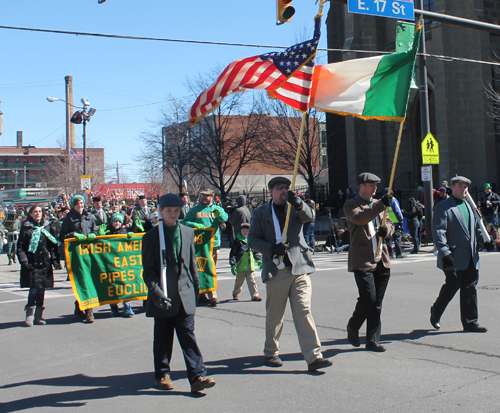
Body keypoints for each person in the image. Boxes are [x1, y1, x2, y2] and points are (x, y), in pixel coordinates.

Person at [248, 176, 332, 372]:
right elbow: (252, 239)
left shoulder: (295, 208)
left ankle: (313, 356)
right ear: (271, 191)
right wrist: (271, 249)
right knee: (275, 315)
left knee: (303, 311)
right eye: (279, 187)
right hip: (277, 270)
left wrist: (298, 202)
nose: (283, 190)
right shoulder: (260, 213)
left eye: (286, 187)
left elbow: (309, 217)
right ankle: (271, 352)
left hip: (299, 268)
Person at [142, 193, 216, 393]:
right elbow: (148, 271)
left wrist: (196, 288)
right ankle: (163, 374)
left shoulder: (186, 232)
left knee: (188, 336)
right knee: (163, 338)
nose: (173, 215)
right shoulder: (151, 237)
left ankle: (197, 376)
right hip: (163, 295)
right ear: (160, 211)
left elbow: (191, 263)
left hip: (185, 293)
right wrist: (155, 291)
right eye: (168, 211)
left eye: (176, 211)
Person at [430, 175, 492, 333]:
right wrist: (444, 252)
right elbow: (439, 232)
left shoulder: (469, 206)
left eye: (465, 186)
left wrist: (484, 241)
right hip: (452, 255)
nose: (463, 189)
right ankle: (436, 312)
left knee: (470, 287)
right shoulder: (443, 206)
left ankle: (470, 322)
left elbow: (476, 228)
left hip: (471, 256)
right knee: (452, 286)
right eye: (460, 186)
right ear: (452, 187)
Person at [344, 173, 395, 352]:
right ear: (361, 186)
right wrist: (381, 204)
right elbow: (360, 218)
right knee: (368, 298)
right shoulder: (351, 204)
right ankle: (353, 325)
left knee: (377, 302)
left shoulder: (378, 205)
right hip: (363, 259)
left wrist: (385, 230)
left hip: (381, 257)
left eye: (376, 185)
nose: (375, 189)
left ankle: (372, 339)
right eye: (371, 185)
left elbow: (391, 224)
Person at [182, 189, 228, 307]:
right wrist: (195, 225)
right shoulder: (195, 210)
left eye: (207, 196)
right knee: (202, 268)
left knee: (210, 268)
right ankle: (206, 295)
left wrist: (220, 215)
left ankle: (210, 293)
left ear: (212, 197)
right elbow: (185, 222)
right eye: (203, 195)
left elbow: (225, 219)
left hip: (213, 243)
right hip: (199, 245)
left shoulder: (216, 209)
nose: (204, 198)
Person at [17, 206, 58, 327]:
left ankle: (39, 315)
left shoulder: (47, 226)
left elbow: (53, 245)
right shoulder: (26, 228)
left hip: (44, 262)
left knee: (41, 289)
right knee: (34, 289)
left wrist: (55, 260)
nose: (38, 214)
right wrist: (24, 261)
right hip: (32, 263)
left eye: (39, 211)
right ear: (30, 214)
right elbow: (20, 247)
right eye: (35, 212)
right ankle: (29, 314)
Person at [60, 195, 98, 323]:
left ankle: (80, 305)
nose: (80, 206)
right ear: (73, 205)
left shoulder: (90, 217)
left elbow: (95, 230)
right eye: (77, 204)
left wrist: (94, 234)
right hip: (75, 255)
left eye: (81, 203)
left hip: (88, 253)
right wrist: (73, 234)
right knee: (81, 280)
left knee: (88, 280)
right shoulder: (68, 218)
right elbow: (62, 236)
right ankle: (89, 311)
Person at [99, 213, 137, 317]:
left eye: (119, 221)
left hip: (123, 264)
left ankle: (127, 306)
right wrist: (100, 236)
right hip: (110, 263)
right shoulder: (108, 233)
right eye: (115, 221)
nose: (117, 223)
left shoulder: (124, 232)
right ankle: (114, 307)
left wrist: (135, 233)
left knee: (124, 284)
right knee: (112, 285)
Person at [229, 223, 263, 301]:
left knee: (252, 282)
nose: (245, 232)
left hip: (250, 266)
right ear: (240, 231)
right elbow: (233, 254)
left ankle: (255, 295)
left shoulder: (251, 241)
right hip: (241, 266)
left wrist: (259, 261)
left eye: (247, 230)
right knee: (239, 282)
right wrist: (233, 264)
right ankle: (235, 293)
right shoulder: (237, 241)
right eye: (243, 230)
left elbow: (256, 252)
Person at [383, 188, 405, 259]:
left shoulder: (382, 200)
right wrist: (401, 220)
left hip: (386, 222)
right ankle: (398, 253)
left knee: (388, 239)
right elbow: (397, 211)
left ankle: (390, 254)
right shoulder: (393, 200)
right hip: (395, 222)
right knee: (397, 238)